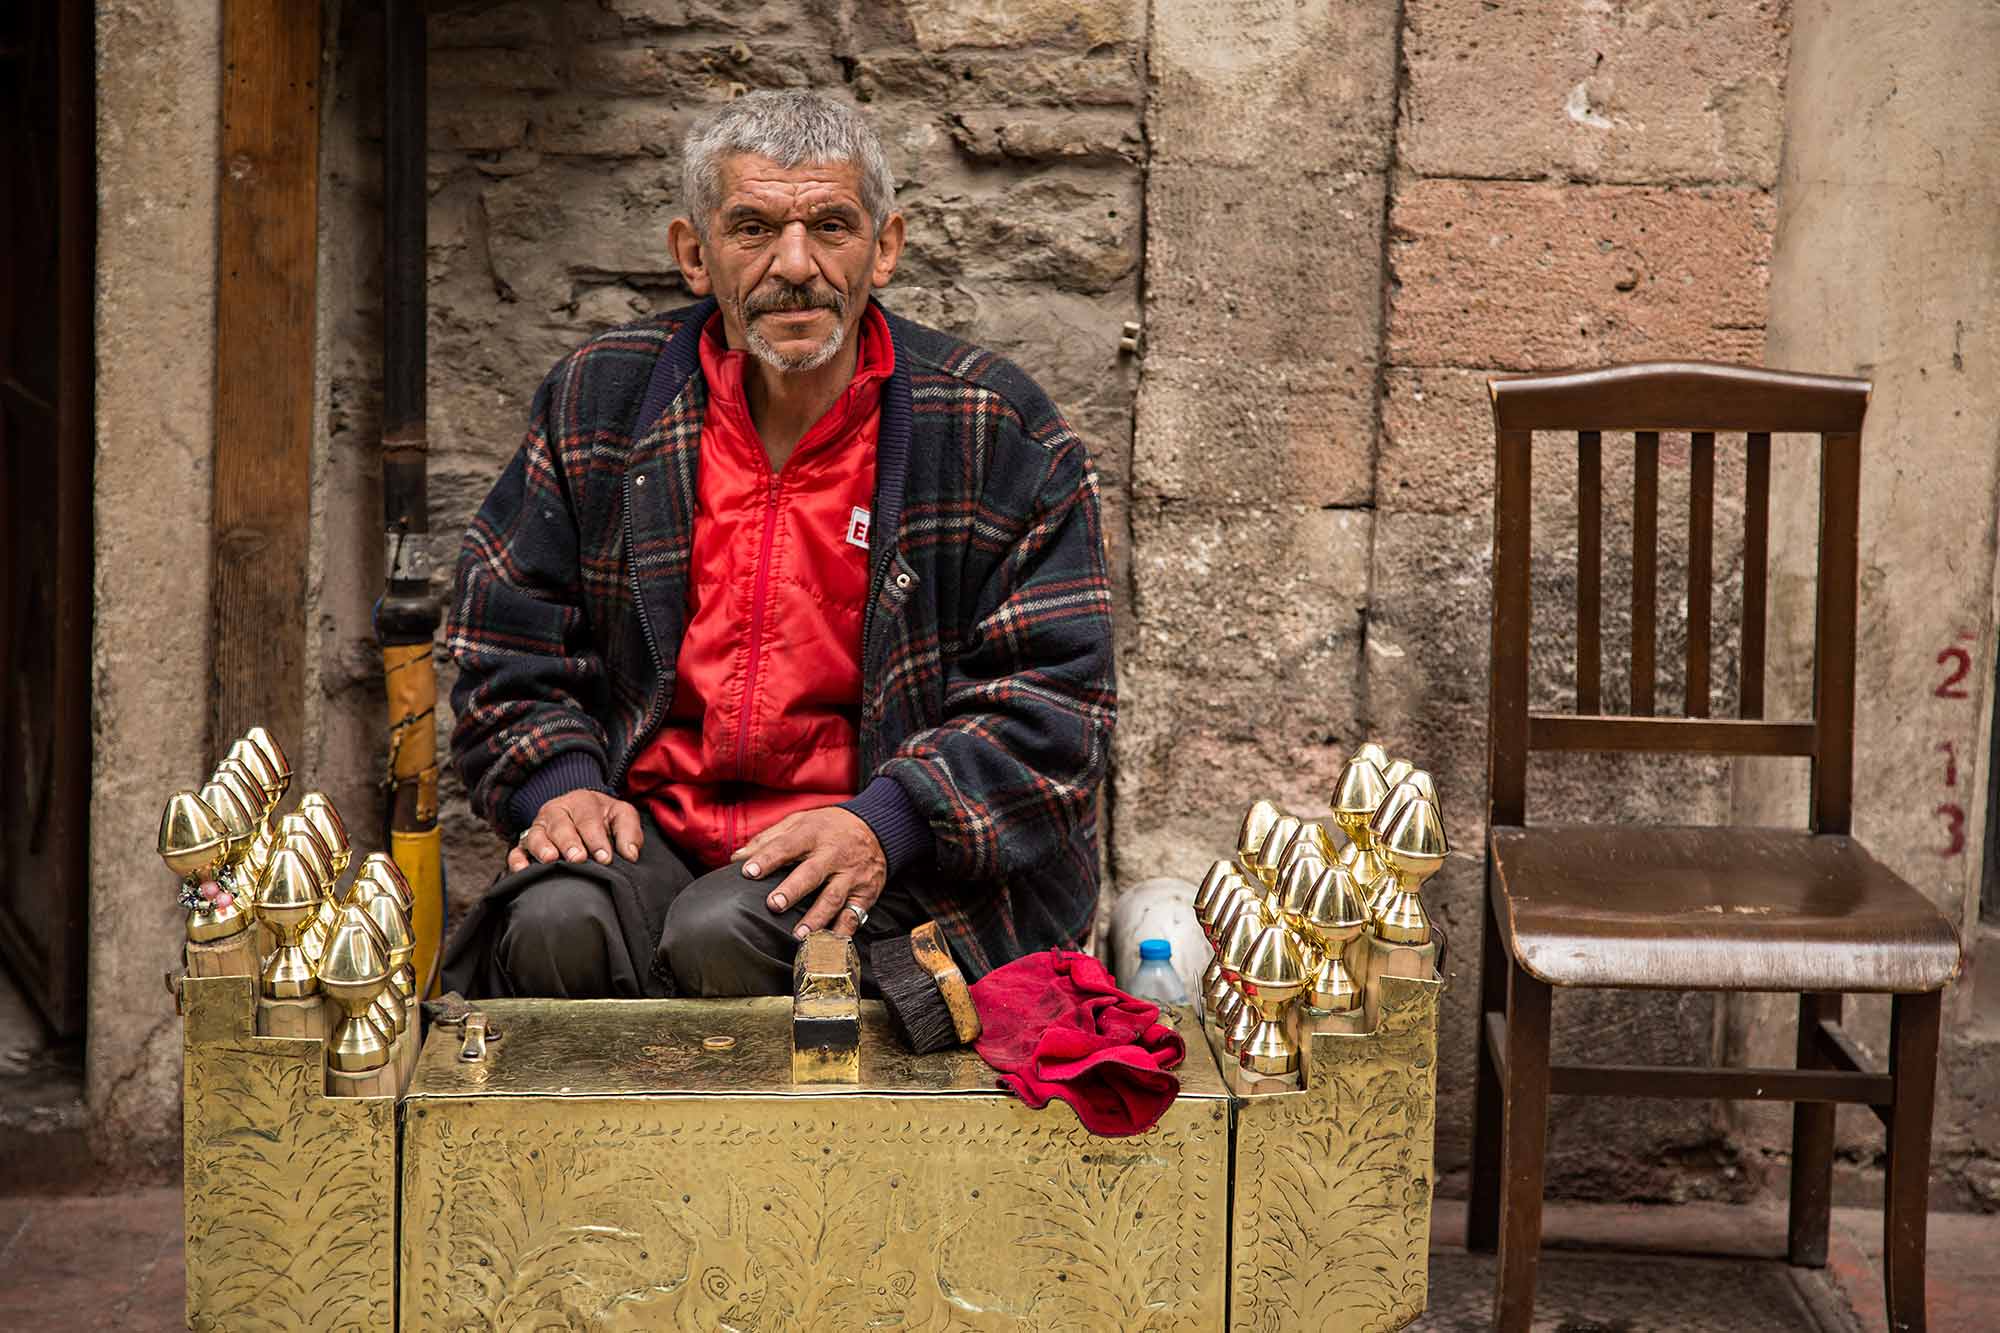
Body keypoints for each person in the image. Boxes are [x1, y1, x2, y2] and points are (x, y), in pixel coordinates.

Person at [438, 90, 1115, 1001]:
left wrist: (888, 822)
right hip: (654, 835)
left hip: (902, 860)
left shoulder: (996, 431)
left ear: (884, 247)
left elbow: (1057, 705)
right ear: (693, 253)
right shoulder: (600, 400)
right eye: (752, 228)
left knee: (724, 934)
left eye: (831, 226)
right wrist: (556, 782)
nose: (795, 265)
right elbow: (507, 641)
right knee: (560, 920)